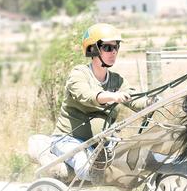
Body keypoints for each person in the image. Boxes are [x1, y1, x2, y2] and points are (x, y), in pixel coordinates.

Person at [50, 23, 149, 182]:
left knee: (130, 155)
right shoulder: (79, 74)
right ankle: (92, 171)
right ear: (93, 49)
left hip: (102, 144)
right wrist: (112, 96)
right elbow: (87, 95)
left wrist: (151, 101)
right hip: (69, 140)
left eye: (116, 47)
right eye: (108, 48)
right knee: (81, 159)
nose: (114, 52)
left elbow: (135, 99)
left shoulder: (117, 80)